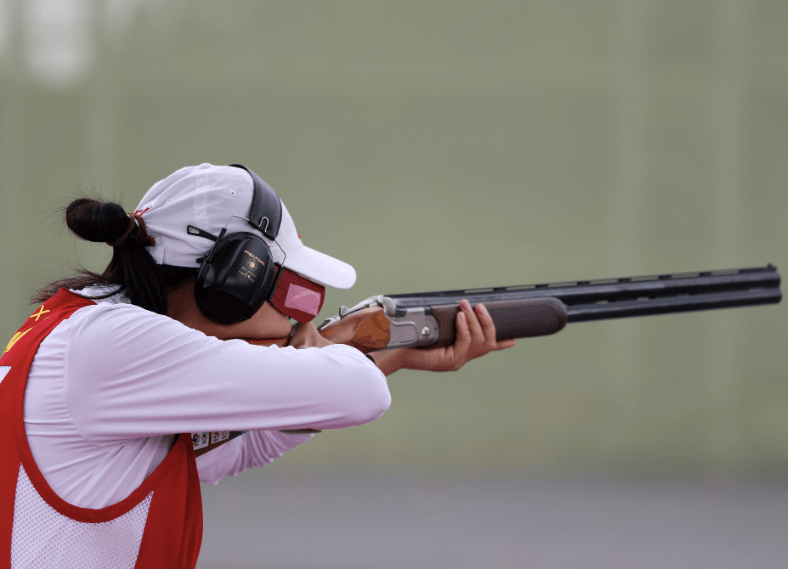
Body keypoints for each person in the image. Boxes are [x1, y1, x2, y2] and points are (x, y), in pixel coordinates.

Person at [0, 163, 514, 568]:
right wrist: (336, 350)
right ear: (233, 282)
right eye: (293, 293)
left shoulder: (83, 332)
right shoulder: (112, 344)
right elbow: (360, 394)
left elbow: (231, 450)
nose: (301, 314)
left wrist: (392, 350)